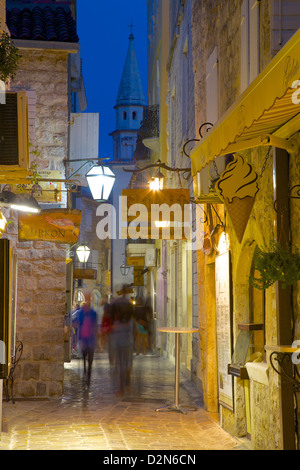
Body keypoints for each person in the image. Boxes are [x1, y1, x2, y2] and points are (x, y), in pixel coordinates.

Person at [110, 285, 134, 396]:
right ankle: (127, 383)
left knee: (121, 364)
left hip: (120, 340)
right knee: (126, 362)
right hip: (127, 340)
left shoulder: (117, 304)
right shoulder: (128, 304)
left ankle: (122, 387)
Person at [78, 292, 98, 388]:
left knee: (89, 360)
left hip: (89, 339)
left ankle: (87, 376)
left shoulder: (91, 313)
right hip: (85, 339)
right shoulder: (83, 313)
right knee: (85, 359)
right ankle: (86, 374)